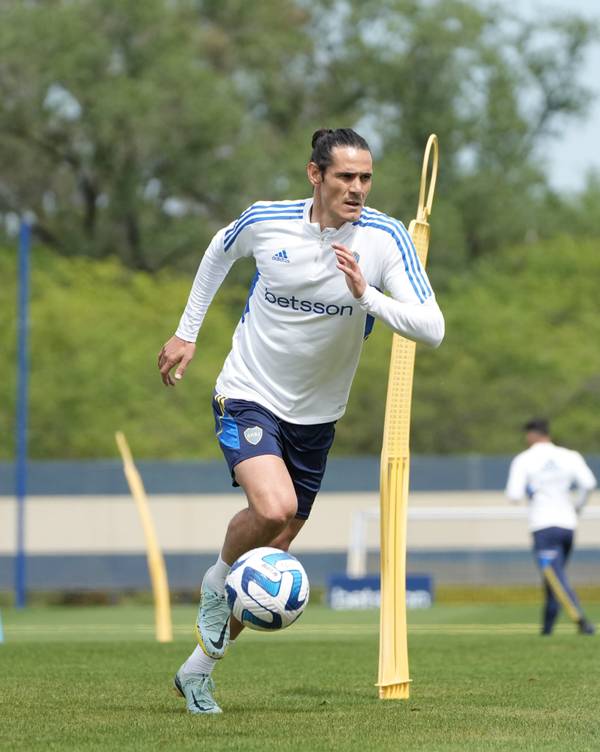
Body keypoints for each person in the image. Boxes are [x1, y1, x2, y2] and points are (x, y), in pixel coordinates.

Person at [158, 127, 445, 714]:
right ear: (315, 175)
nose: (357, 188)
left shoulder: (385, 240)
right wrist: (187, 333)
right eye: (345, 177)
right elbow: (219, 251)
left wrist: (367, 296)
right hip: (249, 392)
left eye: (365, 178)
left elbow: (432, 327)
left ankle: (197, 671)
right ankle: (217, 581)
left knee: (274, 551)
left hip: (317, 419)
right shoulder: (268, 220)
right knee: (275, 509)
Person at [505, 417, 597, 636]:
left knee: (554, 576)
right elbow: (589, 484)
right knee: (553, 578)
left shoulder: (524, 459)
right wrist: (578, 507)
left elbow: (513, 495)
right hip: (568, 525)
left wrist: (531, 490)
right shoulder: (570, 456)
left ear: (530, 435)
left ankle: (581, 620)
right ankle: (547, 629)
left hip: (543, 526)